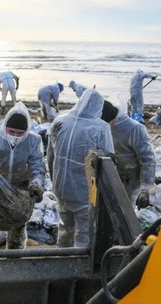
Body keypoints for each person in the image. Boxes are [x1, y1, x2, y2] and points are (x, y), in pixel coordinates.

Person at [47, 88, 114, 248]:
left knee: (64, 227)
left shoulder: (60, 121)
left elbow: (50, 156)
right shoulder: (101, 128)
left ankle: (61, 258)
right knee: (85, 232)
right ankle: (80, 265)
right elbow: (108, 162)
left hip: (61, 187)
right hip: (85, 191)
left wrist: (53, 179)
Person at [0, 101, 46, 250]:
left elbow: (37, 165)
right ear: (5, 127)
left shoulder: (33, 140)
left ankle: (14, 256)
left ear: (27, 131)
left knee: (18, 225)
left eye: (20, 133)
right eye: (11, 132)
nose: (15, 136)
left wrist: (36, 182)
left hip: (20, 187)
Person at [101, 100, 156, 210]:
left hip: (132, 177)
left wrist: (145, 188)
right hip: (114, 174)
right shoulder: (103, 127)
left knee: (128, 210)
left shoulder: (134, 128)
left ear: (111, 119)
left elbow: (147, 159)